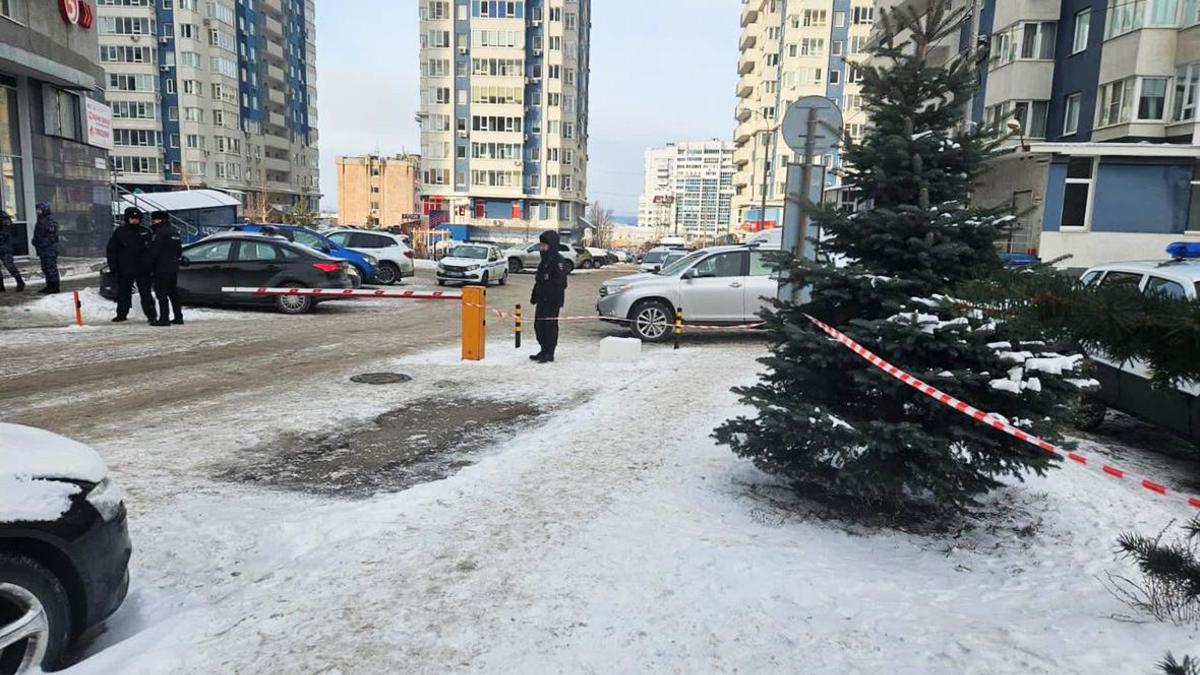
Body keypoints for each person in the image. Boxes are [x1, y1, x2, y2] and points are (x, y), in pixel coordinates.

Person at [106, 207, 157, 323]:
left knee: (146, 293)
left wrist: (151, 264)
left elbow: (152, 250)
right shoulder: (120, 232)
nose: (134, 221)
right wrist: (113, 266)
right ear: (127, 219)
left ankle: (152, 316)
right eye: (132, 218)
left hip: (143, 268)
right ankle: (121, 314)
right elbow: (112, 250)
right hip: (125, 268)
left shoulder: (145, 231)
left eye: (136, 219)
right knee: (123, 292)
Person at [529, 230, 569, 363]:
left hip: (552, 301)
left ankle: (549, 353)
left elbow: (561, 283)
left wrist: (553, 298)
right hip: (542, 300)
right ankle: (543, 349)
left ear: (551, 245)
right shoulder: (544, 261)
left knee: (549, 327)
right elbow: (539, 280)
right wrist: (535, 295)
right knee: (538, 326)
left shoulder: (558, 261)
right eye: (541, 245)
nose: (542, 248)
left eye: (544, 245)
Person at [148, 211, 184, 326]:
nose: (152, 222)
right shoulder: (174, 231)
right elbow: (179, 251)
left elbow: (155, 252)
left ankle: (164, 318)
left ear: (158, 220)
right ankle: (178, 316)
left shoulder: (159, 232)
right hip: (173, 267)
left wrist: (150, 264)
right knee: (173, 293)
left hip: (161, 268)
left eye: (154, 220)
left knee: (162, 294)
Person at [31, 202, 60, 294]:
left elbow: (52, 236)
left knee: (51, 268)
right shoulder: (41, 219)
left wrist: (42, 243)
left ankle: (54, 287)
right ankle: (49, 286)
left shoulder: (50, 220)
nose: (37, 211)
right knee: (45, 268)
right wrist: (35, 241)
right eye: (37, 209)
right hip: (43, 250)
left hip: (49, 249)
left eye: (39, 209)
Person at [0, 210, 24, 292]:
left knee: (9, 266)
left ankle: (20, 281)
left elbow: (7, 231)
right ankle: (1, 286)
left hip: (4, 246)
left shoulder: (3, 216)